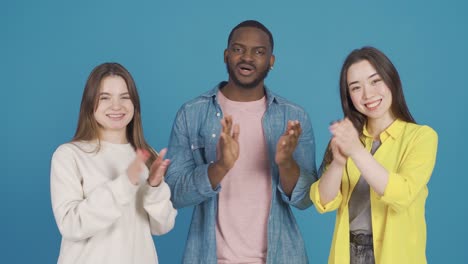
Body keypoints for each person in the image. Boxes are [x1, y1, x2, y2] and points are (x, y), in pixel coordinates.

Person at [165, 20, 317, 263]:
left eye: (259, 51)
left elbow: (307, 199)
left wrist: (286, 162)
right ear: (226, 55)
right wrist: (220, 166)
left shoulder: (294, 117)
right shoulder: (192, 114)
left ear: (271, 61)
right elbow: (173, 193)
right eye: (238, 49)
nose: (247, 57)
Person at [310, 47, 438, 264]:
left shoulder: (421, 137)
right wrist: (339, 162)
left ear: (391, 80)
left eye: (375, 81)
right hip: (347, 254)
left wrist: (356, 152)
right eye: (355, 87)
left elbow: (403, 194)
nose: (368, 94)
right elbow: (324, 201)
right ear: (348, 96)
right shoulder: (351, 137)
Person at [50, 62, 177, 264]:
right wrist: (125, 182)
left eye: (125, 97)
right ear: (90, 103)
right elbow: (71, 225)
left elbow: (162, 226)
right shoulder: (69, 155)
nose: (116, 106)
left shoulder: (146, 154)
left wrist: (155, 186)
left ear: (135, 104)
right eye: (105, 98)